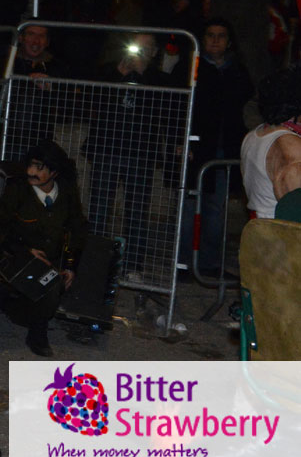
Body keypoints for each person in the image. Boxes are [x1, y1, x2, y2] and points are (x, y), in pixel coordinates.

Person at [83, 33, 177, 278]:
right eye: (138, 47)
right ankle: (95, 262)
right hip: (107, 149)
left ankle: (133, 264)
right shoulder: (108, 71)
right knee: (99, 209)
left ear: (155, 52)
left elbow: (164, 110)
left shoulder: (160, 79)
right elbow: (91, 100)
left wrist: (142, 76)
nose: (141, 52)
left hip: (141, 154)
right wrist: (120, 75)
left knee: (136, 211)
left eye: (147, 48)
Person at [0, 140, 86, 357]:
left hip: (53, 258)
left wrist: (70, 265)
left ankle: (4, 298)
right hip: (20, 257)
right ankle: (37, 334)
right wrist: (24, 250)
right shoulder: (18, 190)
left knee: (78, 289)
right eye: (30, 165)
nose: (31, 171)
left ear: (54, 172)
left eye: (39, 167)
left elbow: (77, 228)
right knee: (48, 287)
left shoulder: (66, 193)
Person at [181, 19, 253, 275]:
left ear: (229, 41)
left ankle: (210, 263)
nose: (215, 40)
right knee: (190, 206)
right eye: (210, 35)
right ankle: (184, 262)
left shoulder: (237, 71)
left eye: (221, 36)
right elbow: (180, 107)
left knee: (216, 209)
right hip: (197, 149)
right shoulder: (191, 67)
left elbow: (242, 106)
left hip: (224, 150)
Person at [242, 64, 301, 221]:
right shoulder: (291, 148)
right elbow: (296, 212)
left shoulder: (256, 134)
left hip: (261, 235)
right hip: (283, 239)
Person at [3, 24, 67, 162]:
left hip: (41, 142)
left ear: (48, 41)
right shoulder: (7, 64)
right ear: (21, 38)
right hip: (7, 140)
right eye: (31, 34)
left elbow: (70, 102)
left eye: (41, 36)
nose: (36, 41)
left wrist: (53, 88)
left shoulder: (56, 67)